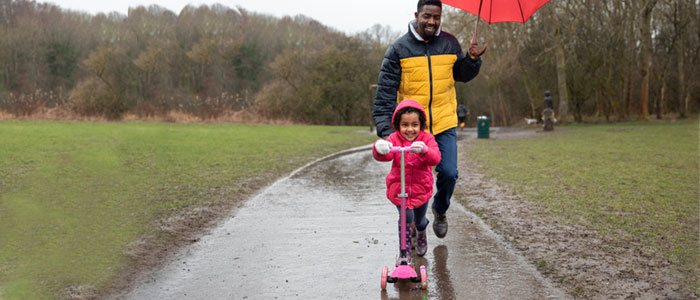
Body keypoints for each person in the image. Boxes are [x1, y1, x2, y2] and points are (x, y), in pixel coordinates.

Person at [373, 0, 486, 238]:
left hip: (444, 123)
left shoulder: (450, 43)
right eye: (427, 16)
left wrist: (472, 60)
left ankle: (440, 209)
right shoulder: (398, 49)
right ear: (417, 15)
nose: (432, 22)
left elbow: (460, 75)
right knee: (410, 183)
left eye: (436, 17)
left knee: (449, 173)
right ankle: (413, 225)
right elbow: (385, 94)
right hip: (412, 130)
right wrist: (386, 130)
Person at [373, 99, 441, 257]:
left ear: (421, 125)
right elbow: (385, 155)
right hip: (400, 190)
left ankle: (421, 232)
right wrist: (379, 148)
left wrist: (424, 150)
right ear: (398, 125)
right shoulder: (394, 139)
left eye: (414, 125)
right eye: (405, 125)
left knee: (419, 220)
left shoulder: (427, 139)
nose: (410, 129)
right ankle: (404, 250)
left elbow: (436, 158)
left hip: (420, 190)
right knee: (406, 217)